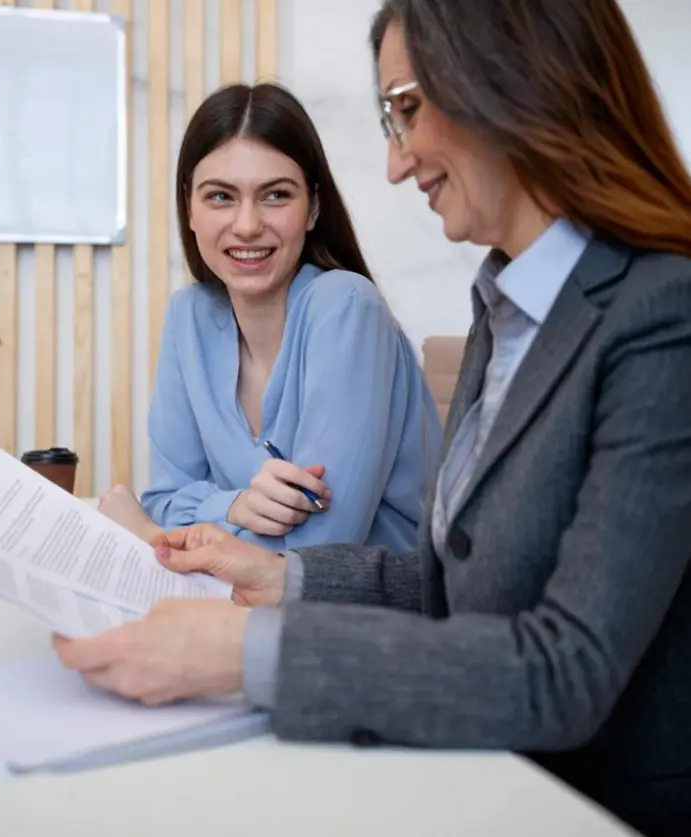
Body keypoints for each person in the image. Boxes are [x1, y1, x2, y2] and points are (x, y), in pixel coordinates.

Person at [55, 1, 691, 834]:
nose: (393, 165)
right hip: (464, 763)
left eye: (406, 108)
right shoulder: (505, 304)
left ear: (512, 82)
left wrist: (245, 652)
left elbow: (561, 670)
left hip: (582, 801)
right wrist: (280, 578)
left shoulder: (662, 315)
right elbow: (446, 585)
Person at [98, 82, 442, 552]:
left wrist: (151, 536)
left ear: (313, 207)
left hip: (373, 612)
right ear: (189, 208)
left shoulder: (346, 308)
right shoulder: (189, 318)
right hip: (240, 602)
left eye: (275, 195)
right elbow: (164, 497)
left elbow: (320, 549)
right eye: (220, 196)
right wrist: (233, 506)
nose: (246, 225)